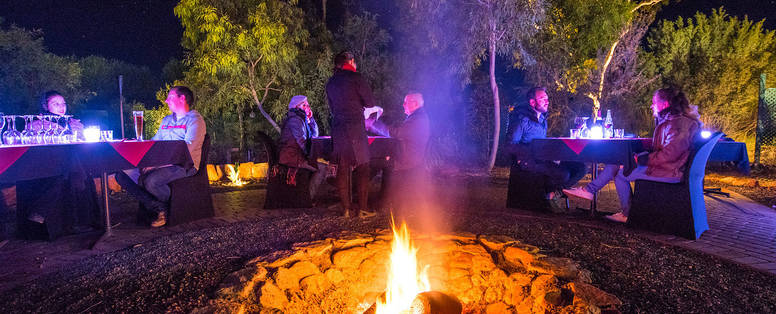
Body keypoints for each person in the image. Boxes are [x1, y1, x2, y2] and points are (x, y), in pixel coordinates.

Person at [563, 87, 701, 223]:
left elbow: (669, 155)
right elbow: (666, 150)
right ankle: (589, 191)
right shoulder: (672, 121)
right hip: (668, 168)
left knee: (621, 175)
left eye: (654, 101)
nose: (652, 105)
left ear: (665, 104)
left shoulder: (677, 124)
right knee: (618, 161)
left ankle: (627, 213)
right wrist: (638, 155)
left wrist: (641, 159)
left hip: (670, 172)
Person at [114, 86, 206, 227]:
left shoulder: (195, 120)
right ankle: (160, 207)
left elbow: (187, 150)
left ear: (182, 98)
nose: (166, 100)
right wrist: (139, 150)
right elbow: (155, 143)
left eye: (170, 97)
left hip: (184, 165)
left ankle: (170, 208)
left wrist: (156, 165)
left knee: (151, 181)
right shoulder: (166, 121)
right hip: (162, 164)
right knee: (122, 175)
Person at [17, 91, 98, 239]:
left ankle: (40, 211)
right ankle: (75, 220)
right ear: (45, 106)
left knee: (70, 163)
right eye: (55, 104)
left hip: (70, 165)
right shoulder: (36, 125)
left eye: (63, 104)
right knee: (70, 167)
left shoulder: (74, 123)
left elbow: (82, 142)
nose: (61, 107)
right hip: (44, 166)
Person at [507, 87, 587, 204]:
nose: (547, 101)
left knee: (581, 168)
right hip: (527, 160)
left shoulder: (542, 119)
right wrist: (535, 152)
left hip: (543, 158)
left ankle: (553, 193)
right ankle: (548, 197)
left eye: (547, 98)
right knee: (563, 174)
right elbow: (510, 145)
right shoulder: (521, 120)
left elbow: (541, 142)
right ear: (532, 102)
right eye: (542, 98)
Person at [325, 51, 378, 218]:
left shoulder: (331, 82)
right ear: (350, 62)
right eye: (354, 61)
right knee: (363, 166)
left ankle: (346, 209)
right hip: (355, 126)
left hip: (339, 127)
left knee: (342, 167)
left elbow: (332, 108)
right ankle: (363, 208)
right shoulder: (356, 78)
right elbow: (369, 102)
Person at [366, 92, 430, 213]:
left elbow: (397, 133)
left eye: (405, 102)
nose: (403, 105)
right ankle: (381, 203)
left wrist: (373, 124)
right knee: (379, 163)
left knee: (369, 163)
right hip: (407, 156)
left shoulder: (418, 119)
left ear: (415, 104)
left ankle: (365, 199)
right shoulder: (418, 117)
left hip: (406, 159)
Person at [264, 95, 324, 209]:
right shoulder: (295, 120)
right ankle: (306, 199)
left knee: (320, 165)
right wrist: (309, 156)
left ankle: (305, 196)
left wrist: (311, 119)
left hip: (296, 155)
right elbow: (301, 141)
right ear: (297, 107)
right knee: (321, 168)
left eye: (308, 105)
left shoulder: (300, 119)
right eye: (304, 105)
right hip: (291, 157)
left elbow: (315, 136)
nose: (308, 107)